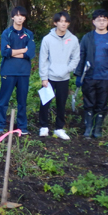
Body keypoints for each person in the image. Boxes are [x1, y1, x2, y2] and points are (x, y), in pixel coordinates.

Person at [74, 9, 108, 139]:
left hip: (106, 77)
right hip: (89, 76)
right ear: (93, 22)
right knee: (89, 103)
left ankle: (98, 129)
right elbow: (80, 56)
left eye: (104, 20)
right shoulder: (87, 38)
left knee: (101, 104)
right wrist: (79, 75)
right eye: (99, 20)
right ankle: (88, 128)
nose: (101, 22)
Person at [38, 11, 80, 140]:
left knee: (61, 103)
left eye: (66, 21)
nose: (63, 24)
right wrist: (44, 77)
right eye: (61, 21)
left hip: (64, 77)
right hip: (50, 77)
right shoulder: (47, 39)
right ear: (55, 23)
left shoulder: (73, 39)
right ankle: (44, 126)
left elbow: (75, 58)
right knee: (45, 102)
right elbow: (43, 59)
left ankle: (59, 128)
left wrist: (67, 69)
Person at [0, 6, 35, 135]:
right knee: (4, 100)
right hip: (8, 71)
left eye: (22, 16)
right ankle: (0, 125)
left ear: (25, 18)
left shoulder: (29, 34)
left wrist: (12, 51)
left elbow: (30, 53)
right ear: (12, 17)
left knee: (22, 101)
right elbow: (4, 52)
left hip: (23, 72)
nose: (19, 18)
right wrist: (23, 50)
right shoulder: (6, 33)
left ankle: (22, 126)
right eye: (17, 15)